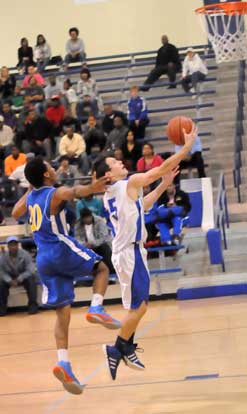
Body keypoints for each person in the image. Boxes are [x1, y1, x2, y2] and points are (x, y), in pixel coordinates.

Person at [93, 123, 197, 380]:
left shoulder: (116, 191)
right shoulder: (127, 183)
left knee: (140, 306)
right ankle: (118, 347)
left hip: (130, 252)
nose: (119, 162)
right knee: (139, 307)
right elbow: (159, 167)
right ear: (109, 174)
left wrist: (163, 185)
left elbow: (143, 205)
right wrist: (185, 147)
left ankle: (124, 346)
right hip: (129, 252)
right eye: (114, 163)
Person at [12, 157, 121, 394]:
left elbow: (15, 211)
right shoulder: (54, 192)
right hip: (60, 247)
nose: (53, 169)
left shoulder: (31, 197)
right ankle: (96, 307)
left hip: (43, 260)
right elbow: (73, 191)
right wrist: (92, 188)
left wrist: (31, 186)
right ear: (46, 175)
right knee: (101, 268)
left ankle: (64, 362)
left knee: (63, 314)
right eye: (50, 167)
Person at [0, 236, 38, 316]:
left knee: (31, 280)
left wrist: (19, 279)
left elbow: (30, 269)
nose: (13, 247)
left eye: (15, 244)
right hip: (9, 278)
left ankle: (33, 306)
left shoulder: (25, 254)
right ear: (8, 246)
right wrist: (9, 280)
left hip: (23, 277)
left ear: (18, 245)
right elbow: (1, 271)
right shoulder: (3, 257)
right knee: (1, 283)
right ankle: (2, 308)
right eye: (11, 245)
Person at [75, 208, 115, 274]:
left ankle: (111, 271)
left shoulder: (99, 220)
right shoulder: (78, 224)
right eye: (85, 218)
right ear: (82, 219)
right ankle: (84, 275)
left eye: (89, 217)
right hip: (86, 247)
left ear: (91, 216)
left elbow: (104, 237)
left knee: (105, 248)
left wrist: (93, 243)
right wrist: (85, 245)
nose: (87, 220)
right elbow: (78, 238)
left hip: (100, 245)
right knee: (79, 252)